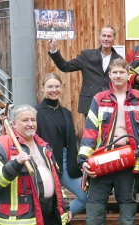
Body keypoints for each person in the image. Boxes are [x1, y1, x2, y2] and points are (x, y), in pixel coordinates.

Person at [77, 58, 139, 225]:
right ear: (110, 75)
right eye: (115, 72)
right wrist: (83, 159)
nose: (118, 75)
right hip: (102, 159)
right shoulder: (99, 99)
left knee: (127, 206)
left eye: (122, 72)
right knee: (95, 206)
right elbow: (90, 131)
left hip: (129, 159)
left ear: (128, 75)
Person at [0, 104, 71, 225]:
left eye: (33, 120)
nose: (30, 124)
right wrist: (14, 165)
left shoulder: (44, 147)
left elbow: (56, 181)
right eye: (25, 120)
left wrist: (64, 205)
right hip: (21, 219)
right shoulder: (1, 145)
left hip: (51, 214)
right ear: (14, 124)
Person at [35, 73, 87, 217]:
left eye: (57, 86)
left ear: (61, 88)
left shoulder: (66, 112)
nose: (54, 90)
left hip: (67, 162)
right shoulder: (37, 112)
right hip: (49, 163)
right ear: (43, 89)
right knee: (48, 204)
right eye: (50, 86)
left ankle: (62, 218)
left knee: (85, 196)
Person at [48, 25, 123, 116]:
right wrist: (53, 50)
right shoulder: (87, 55)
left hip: (111, 103)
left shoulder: (119, 60)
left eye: (109, 36)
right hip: (90, 103)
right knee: (91, 130)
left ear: (114, 38)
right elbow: (65, 67)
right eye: (104, 35)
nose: (106, 38)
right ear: (100, 37)